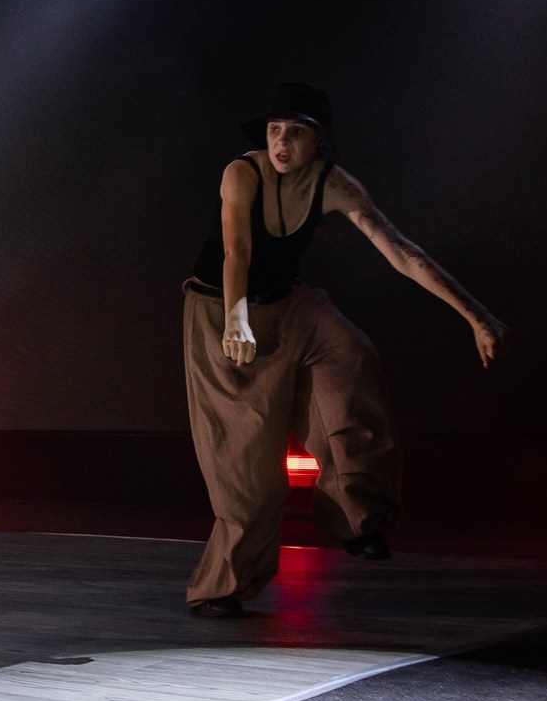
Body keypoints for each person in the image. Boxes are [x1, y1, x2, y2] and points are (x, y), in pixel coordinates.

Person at [182, 83, 506, 616]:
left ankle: (359, 518)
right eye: (275, 131)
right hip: (220, 309)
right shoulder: (243, 173)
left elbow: (401, 252)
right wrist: (236, 318)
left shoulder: (334, 184)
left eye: (298, 132)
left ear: (319, 143)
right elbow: (236, 249)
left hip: (290, 304)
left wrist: (476, 314)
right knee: (245, 465)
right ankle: (223, 587)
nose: (283, 142)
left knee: (350, 355)